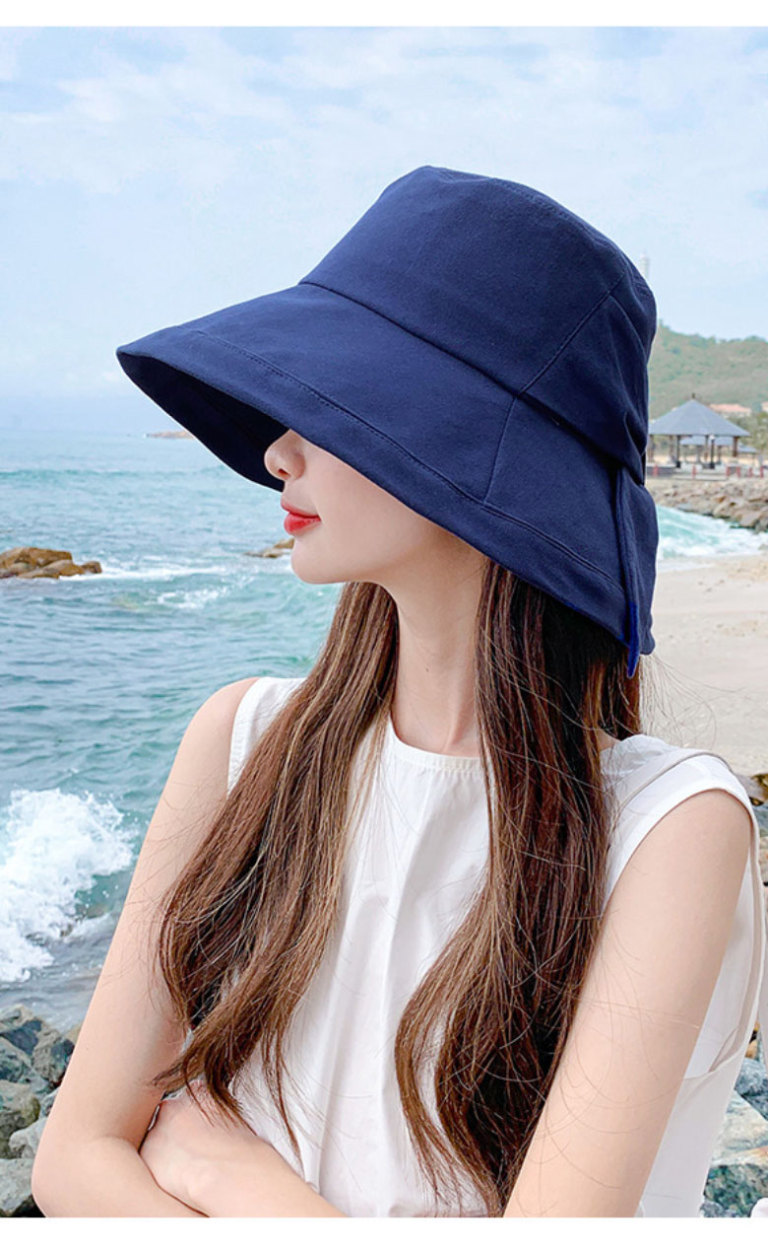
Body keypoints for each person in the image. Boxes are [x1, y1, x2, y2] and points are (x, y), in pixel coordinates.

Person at [32, 166, 768, 1218]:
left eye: (336, 405)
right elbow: (71, 1163)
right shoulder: (243, 740)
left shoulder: (669, 825)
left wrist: (235, 1178)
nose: (277, 450)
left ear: (457, 445)